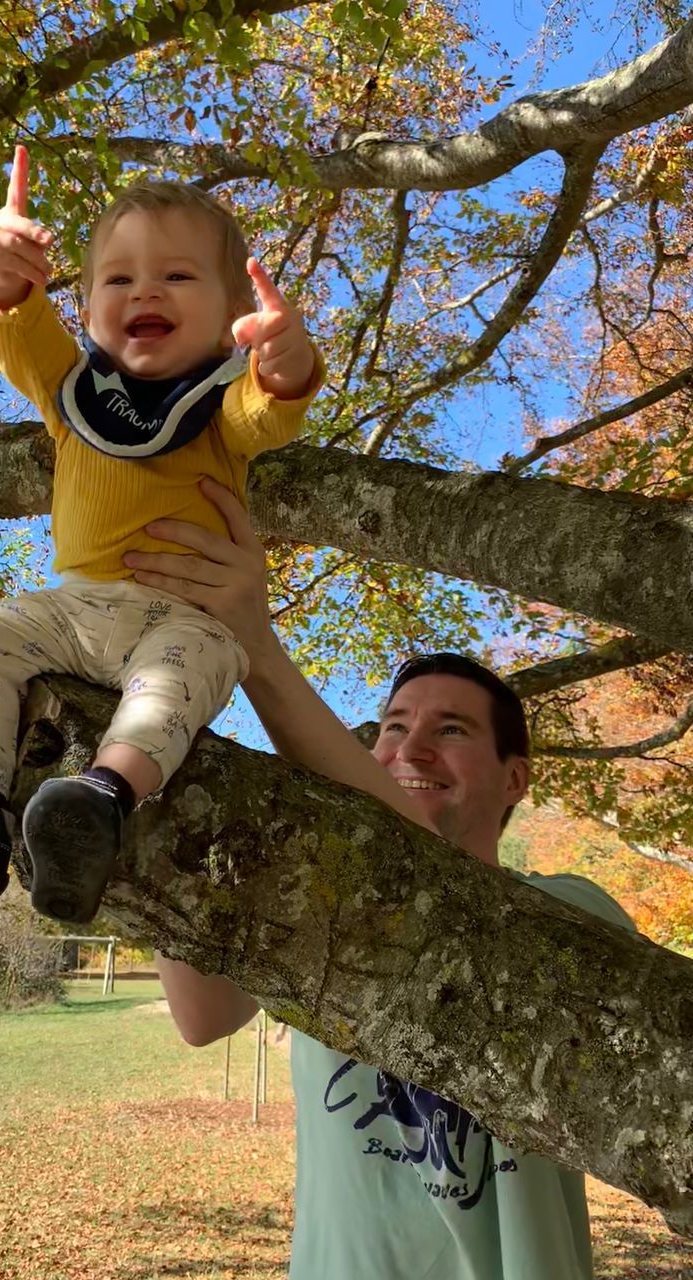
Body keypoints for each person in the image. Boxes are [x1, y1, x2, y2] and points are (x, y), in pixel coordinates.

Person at [124, 479, 634, 1280]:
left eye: (451, 729)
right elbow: (203, 1015)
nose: (409, 751)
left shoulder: (572, 911)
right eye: (392, 729)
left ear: (515, 779)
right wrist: (160, 745)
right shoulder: (314, 913)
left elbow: (440, 892)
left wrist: (258, 651)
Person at [0, 145, 322, 923]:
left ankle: (98, 799)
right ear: (88, 309)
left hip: (179, 616)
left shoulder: (212, 413)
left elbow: (269, 408)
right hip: (73, 608)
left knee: (185, 672)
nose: (145, 290)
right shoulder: (73, 394)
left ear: (233, 321)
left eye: (178, 276)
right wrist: (1, 269)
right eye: (117, 279)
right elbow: (15, 327)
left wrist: (285, 360)